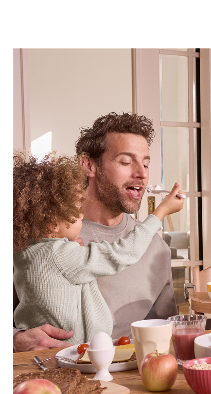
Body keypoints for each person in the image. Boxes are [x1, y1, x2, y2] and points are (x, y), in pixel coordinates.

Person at [13, 112, 180, 352]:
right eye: (125, 162)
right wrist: (16, 340)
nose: (142, 173)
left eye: (146, 163)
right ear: (89, 165)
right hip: (49, 376)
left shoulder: (156, 248)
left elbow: (164, 332)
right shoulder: (32, 238)